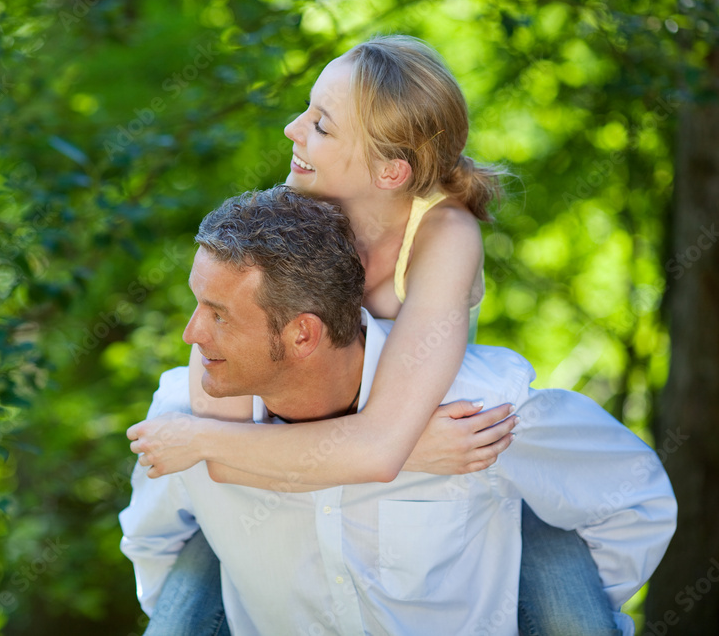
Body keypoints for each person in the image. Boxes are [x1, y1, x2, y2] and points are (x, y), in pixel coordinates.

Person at [126, 35, 614, 632]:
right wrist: (415, 452)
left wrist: (199, 441)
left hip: (448, 498)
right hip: (306, 496)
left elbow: (351, 449)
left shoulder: (443, 236)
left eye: (321, 126)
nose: (291, 129)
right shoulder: (286, 219)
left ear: (391, 171)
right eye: (307, 111)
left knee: (576, 618)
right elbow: (227, 459)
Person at [120, 188, 676, 636]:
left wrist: (554, 614)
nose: (191, 333)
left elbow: (633, 498)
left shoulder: (475, 410)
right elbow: (157, 550)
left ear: (303, 334)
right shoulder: (183, 423)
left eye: (217, 314)